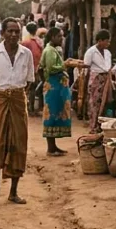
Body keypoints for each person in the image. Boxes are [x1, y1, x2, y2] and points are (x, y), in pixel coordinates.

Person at [0, 17, 35, 204]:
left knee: (19, 144)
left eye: (16, 31)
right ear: (2, 33)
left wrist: (16, 94)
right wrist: (1, 94)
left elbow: (29, 80)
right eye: (10, 31)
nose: (13, 34)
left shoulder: (26, 53)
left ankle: (13, 192)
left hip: (19, 99)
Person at [40, 26, 72, 155]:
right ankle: (50, 148)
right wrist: (66, 64)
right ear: (52, 37)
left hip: (58, 88)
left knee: (56, 113)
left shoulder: (53, 50)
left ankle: (54, 146)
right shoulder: (49, 51)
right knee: (51, 115)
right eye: (59, 36)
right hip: (53, 88)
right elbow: (52, 68)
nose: (62, 38)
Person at [82, 29, 114, 132]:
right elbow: (86, 65)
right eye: (106, 41)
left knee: (105, 103)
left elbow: (108, 66)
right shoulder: (91, 51)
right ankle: (93, 126)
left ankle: (101, 126)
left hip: (106, 78)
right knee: (94, 103)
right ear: (100, 41)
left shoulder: (108, 52)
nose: (108, 43)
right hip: (96, 79)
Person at [23, 22, 44, 117]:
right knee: (36, 88)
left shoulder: (25, 41)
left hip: (28, 67)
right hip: (38, 67)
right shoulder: (39, 41)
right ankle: (36, 107)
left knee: (30, 88)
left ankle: (30, 107)